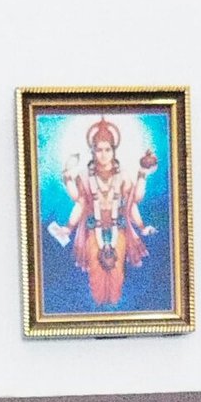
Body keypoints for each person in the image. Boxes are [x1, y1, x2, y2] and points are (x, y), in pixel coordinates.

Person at [57, 117, 158, 307]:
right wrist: (68, 228)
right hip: (92, 231)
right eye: (99, 150)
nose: (103, 154)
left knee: (116, 271)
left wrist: (143, 227)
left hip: (117, 231)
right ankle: (98, 309)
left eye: (107, 150)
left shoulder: (124, 176)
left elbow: (132, 203)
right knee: (95, 273)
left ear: (113, 150)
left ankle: (114, 308)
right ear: (93, 151)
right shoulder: (85, 177)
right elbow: (79, 202)